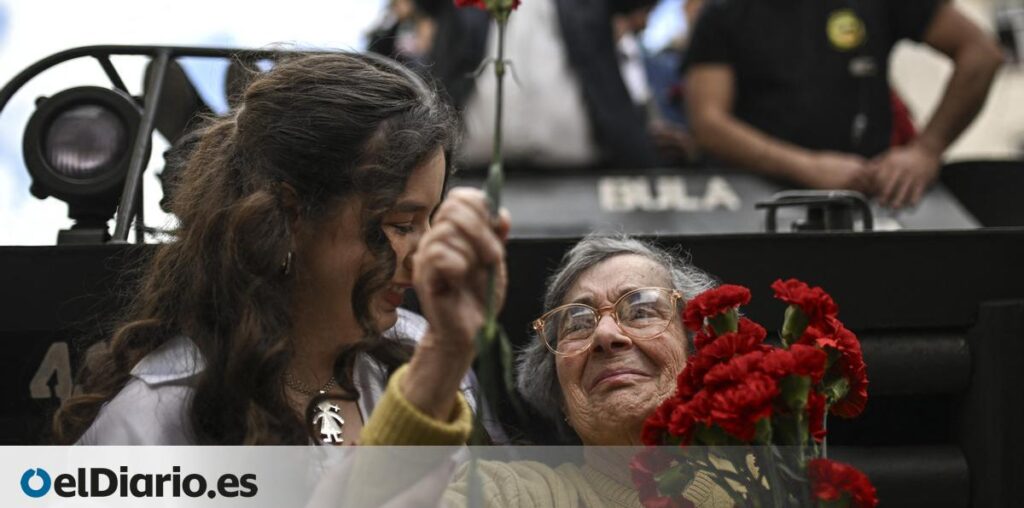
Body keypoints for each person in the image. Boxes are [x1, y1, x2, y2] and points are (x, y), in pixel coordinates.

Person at [52, 52, 508, 446]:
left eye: (433, 218)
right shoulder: (151, 421)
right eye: (400, 224)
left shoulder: (419, 348)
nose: (426, 255)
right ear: (290, 217)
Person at [342, 235, 735, 507]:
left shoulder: (782, 477)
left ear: (697, 349)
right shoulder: (515, 495)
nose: (606, 335)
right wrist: (446, 350)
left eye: (641, 310)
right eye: (578, 323)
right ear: (560, 393)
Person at [684, 0, 1003, 209]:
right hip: (753, 205)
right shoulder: (723, 11)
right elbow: (709, 123)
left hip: (867, 198)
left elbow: (981, 54)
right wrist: (807, 167)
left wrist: (927, 150)